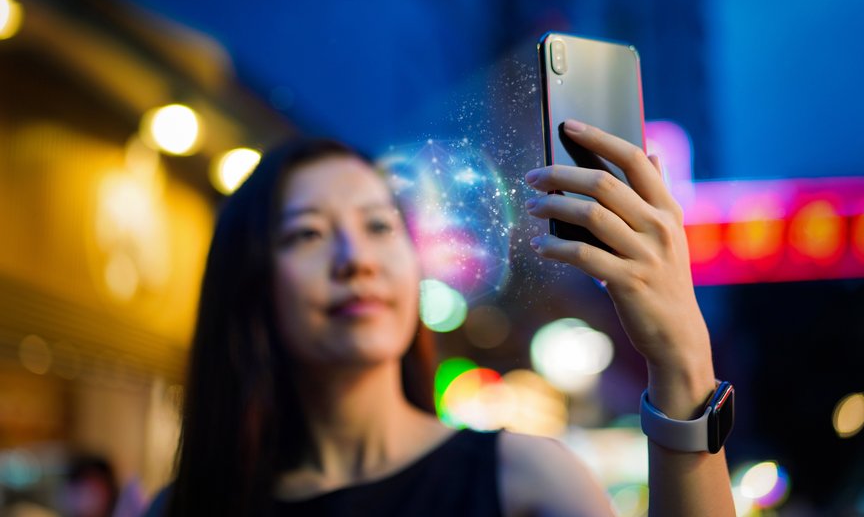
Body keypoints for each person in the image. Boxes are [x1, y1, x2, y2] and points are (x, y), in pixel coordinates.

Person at [145, 119, 736, 516]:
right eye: (309, 234)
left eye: (379, 226)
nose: (357, 260)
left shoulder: (525, 480)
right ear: (250, 283)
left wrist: (682, 362)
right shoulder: (184, 505)